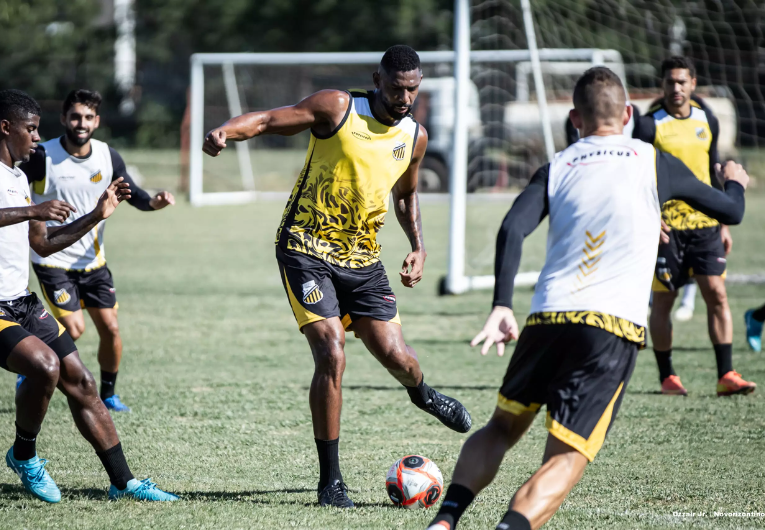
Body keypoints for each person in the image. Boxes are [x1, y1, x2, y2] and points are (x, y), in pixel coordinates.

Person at [425, 67, 748, 530]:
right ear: (629, 114)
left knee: (501, 427)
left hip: (546, 317)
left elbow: (512, 228)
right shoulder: (650, 159)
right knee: (567, 456)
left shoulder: (559, 164)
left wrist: (501, 305)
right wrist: (733, 178)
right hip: (609, 327)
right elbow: (731, 211)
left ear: (574, 117)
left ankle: (446, 521)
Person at [202, 45, 472, 508]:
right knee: (332, 349)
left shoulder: (415, 136)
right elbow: (268, 119)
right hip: (305, 247)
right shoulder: (338, 108)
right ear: (377, 79)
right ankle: (331, 483)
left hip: (363, 261)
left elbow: (406, 197)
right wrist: (227, 131)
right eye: (395, 87)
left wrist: (419, 247)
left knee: (398, 358)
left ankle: (422, 394)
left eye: (412, 89)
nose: (404, 97)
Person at [0, 89, 177, 502]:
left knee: (81, 380)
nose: (37, 137)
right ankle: (24, 455)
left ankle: (124, 482)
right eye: (30, 129)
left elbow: (42, 244)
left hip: (20, 300)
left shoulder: (19, 178)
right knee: (44, 366)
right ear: (5, 128)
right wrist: (32, 211)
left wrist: (96, 215)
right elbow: (32, 219)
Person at [17, 89, 175, 412]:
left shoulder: (107, 156)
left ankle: (109, 393)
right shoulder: (42, 156)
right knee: (74, 328)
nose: (81, 123)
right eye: (75, 116)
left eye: (88, 117)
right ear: (63, 118)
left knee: (111, 329)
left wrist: (154, 203)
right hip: (53, 260)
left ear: (97, 121)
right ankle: (31, 368)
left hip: (93, 262)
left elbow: (133, 193)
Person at [636, 56, 754, 397]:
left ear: (693, 84)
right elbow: (641, 175)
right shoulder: (648, 126)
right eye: (670, 82)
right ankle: (668, 377)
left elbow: (715, 171)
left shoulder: (708, 120)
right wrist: (651, 214)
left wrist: (724, 222)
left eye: (681, 82)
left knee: (716, 294)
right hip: (666, 228)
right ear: (662, 86)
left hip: (705, 225)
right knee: (664, 302)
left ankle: (726, 374)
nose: (676, 88)